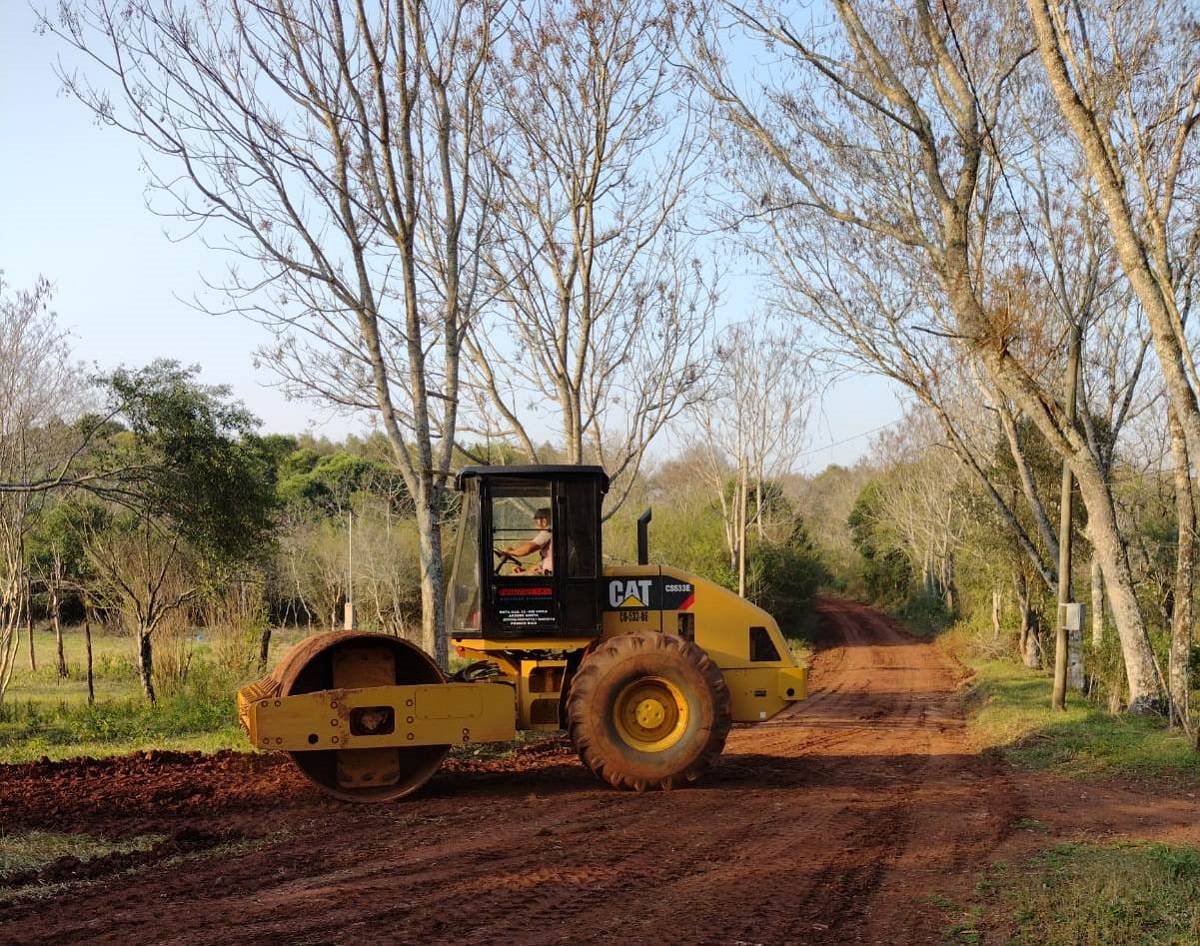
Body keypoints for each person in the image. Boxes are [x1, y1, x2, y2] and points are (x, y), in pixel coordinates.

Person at [502, 507, 553, 575]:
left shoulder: (548, 532)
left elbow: (527, 549)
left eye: (536, 522)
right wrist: (525, 570)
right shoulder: (553, 533)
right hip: (548, 572)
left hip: (549, 574)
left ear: (544, 521)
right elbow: (544, 562)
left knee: (509, 578)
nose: (536, 527)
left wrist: (510, 552)